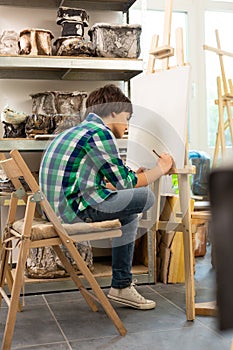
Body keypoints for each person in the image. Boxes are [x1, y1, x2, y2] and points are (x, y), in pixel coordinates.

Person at [39, 84, 174, 310]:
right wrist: (161, 168)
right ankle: (121, 285)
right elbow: (125, 183)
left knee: (129, 207)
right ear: (113, 111)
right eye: (127, 117)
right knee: (145, 197)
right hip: (73, 212)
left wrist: (131, 178)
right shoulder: (101, 133)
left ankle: (122, 285)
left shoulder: (74, 131)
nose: (127, 125)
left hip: (51, 210)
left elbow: (104, 179)